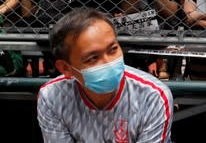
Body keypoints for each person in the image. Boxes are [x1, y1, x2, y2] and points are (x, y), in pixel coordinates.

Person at [37, 8, 173, 142]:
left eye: (113, 49)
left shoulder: (152, 96)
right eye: (93, 58)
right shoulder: (52, 97)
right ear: (66, 68)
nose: (109, 62)